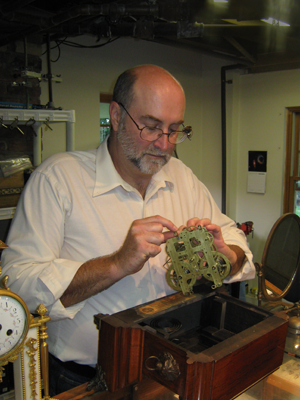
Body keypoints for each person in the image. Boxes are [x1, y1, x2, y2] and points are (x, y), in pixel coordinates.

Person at [1, 65, 255, 395]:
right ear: (116, 116)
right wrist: (116, 264)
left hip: (168, 368)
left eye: (175, 129)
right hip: (86, 379)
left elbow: (234, 239)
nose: (165, 145)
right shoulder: (57, 180)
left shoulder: (182, 176)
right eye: (151, 127)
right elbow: (17, 288)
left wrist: (225, 257)